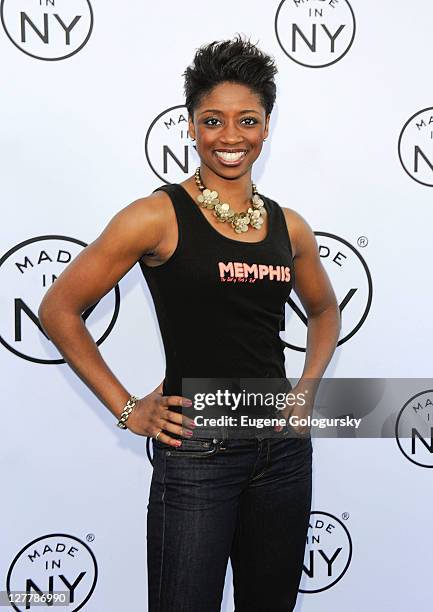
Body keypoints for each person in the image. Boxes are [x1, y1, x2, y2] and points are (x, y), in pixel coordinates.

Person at [38, 35, 340, 612]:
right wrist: (128, 409)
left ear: (266, 127)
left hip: (281, 451)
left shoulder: (289, 226)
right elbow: (58, 309)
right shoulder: (155, 215)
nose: (230, 137)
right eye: (213, 121)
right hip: (197, 452)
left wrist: (309, 389)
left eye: (246, 121)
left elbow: (325, 310)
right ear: (191, 125)